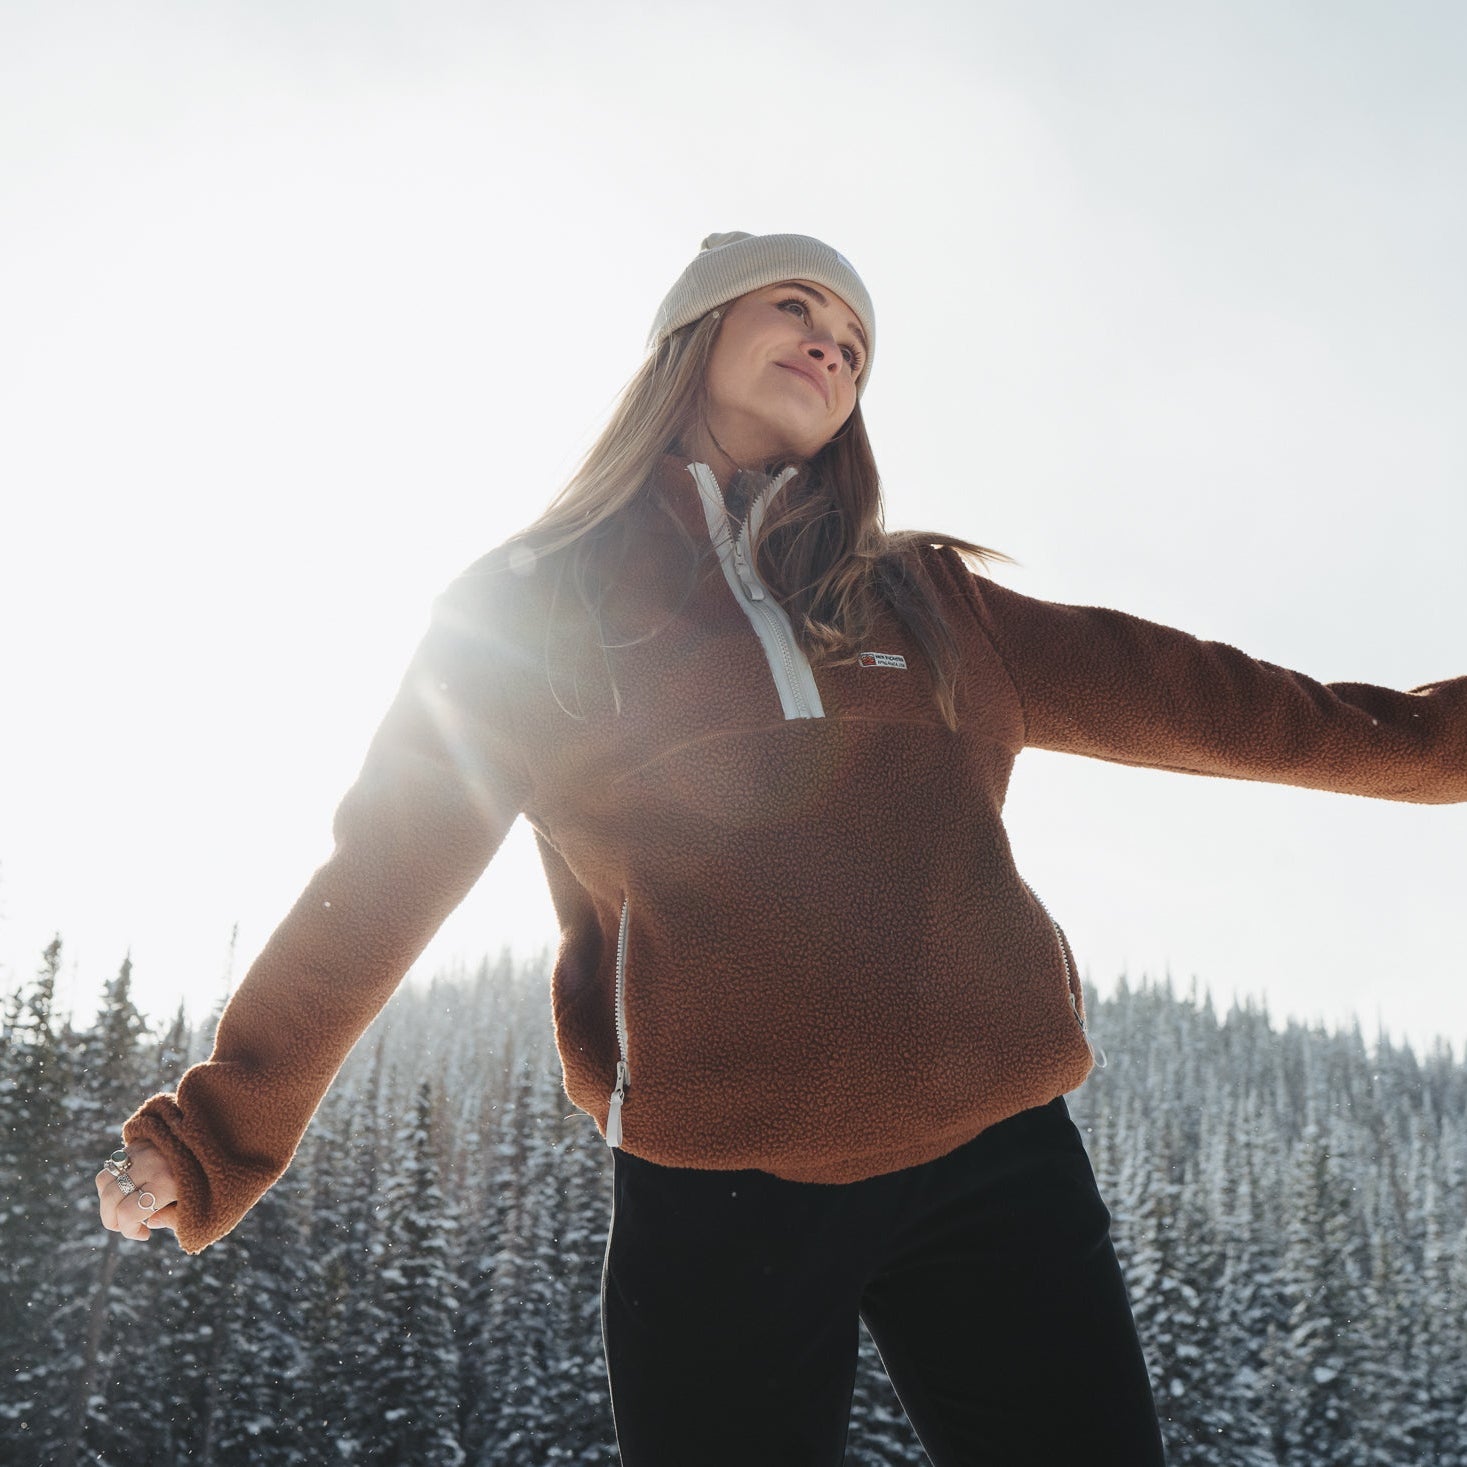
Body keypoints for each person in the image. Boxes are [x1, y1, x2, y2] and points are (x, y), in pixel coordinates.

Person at [96, 231, 1466, 1465]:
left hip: (994, 1157)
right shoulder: (533, 609)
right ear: (691, 340)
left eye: (857, 342)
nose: (832, 343)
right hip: (717, 1183)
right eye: (797, 307)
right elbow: (380, 876)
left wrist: (1440, 742)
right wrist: (219, 1130)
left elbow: (1233, 705)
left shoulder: (924, 600)